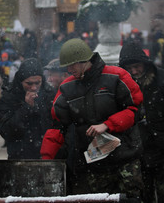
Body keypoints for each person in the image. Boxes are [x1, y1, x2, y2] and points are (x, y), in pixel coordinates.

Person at [41, 38, 144, 200]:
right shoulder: (67, 88)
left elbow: (135, 110)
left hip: (125, 157)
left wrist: (107, 125)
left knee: (130, 199)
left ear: (84, 61)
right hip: (93, 162)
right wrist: (46, 160)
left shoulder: (116, 76)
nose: (69, 70)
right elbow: (58, 126)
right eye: (66, 66)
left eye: (72, 65)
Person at [119, 42, 164, 203]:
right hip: (138, 154)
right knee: (144, 197)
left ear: (145, 64)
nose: (134, 71)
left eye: (137, 66)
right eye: (129, 68)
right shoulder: (122, 85)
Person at [0, 58, 56, 159]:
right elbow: (6, 130)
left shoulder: (49, 94)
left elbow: (54, 125)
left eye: (37, 83)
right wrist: (26, 108)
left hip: (46, 155)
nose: (34, 88)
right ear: (21, 81)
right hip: (19, 156)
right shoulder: (9, 96)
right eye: (29, 83)